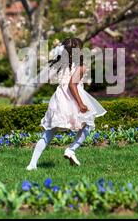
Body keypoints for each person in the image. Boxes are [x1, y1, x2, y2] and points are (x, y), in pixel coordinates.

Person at [26, 38, 106, 170]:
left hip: (59, 100)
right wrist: (80, 104)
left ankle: (32, 164)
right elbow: (72, 85)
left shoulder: (61, 64)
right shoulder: (80, 67)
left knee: (49, 133)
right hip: (73, 99)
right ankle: (71, 149)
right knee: (88, 125)